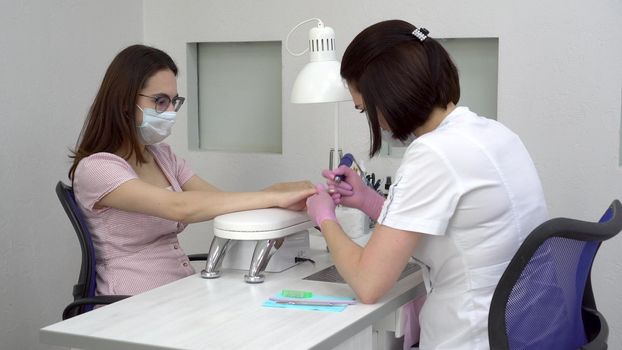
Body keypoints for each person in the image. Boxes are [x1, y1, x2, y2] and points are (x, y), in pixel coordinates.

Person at [305, 20, 548, 350]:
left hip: (472, 337)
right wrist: (367, 199)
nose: (371, 119)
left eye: (364, 108)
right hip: (523, 330)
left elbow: (368, 283)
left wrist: (325, 219)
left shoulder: (434, 153)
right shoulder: (491, 133)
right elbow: (441, 224)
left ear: (386, 97)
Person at [67, 44, 316, 297]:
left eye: (174, 102)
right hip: (129, 301)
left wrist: (276, 195)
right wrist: (272, 197)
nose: (171, 112)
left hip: (179, 289)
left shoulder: (162, 156)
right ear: (125, 101)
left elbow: (217, 201)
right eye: (160, 101)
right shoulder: (97, 169)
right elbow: (179, 206)